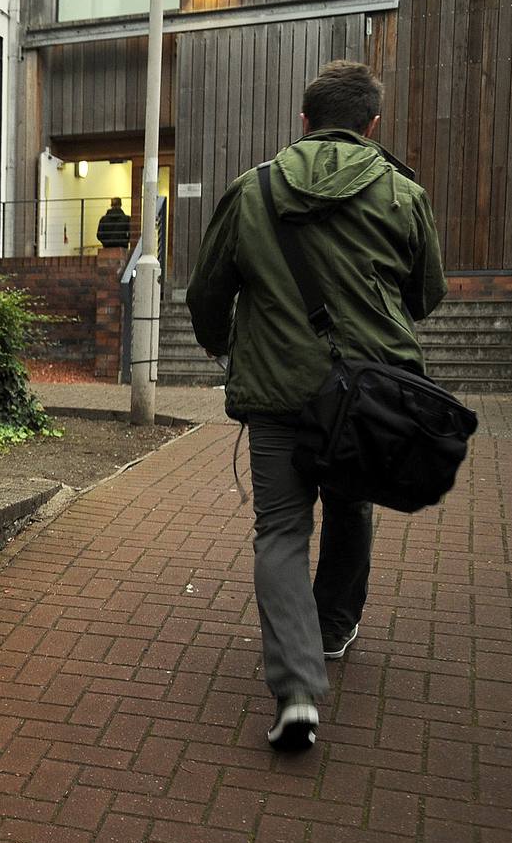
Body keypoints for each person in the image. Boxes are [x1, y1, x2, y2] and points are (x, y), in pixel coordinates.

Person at [186, 60, 446, 752]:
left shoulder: (253, 189)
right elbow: (427, 296)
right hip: (368, 394)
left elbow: (208, 293)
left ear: (304, 121)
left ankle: (297, 690)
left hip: (275, 393)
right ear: (372, 125)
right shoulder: (401, 192)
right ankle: (333, 630)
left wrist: (223, 348)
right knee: (351, 505)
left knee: (279, 531)